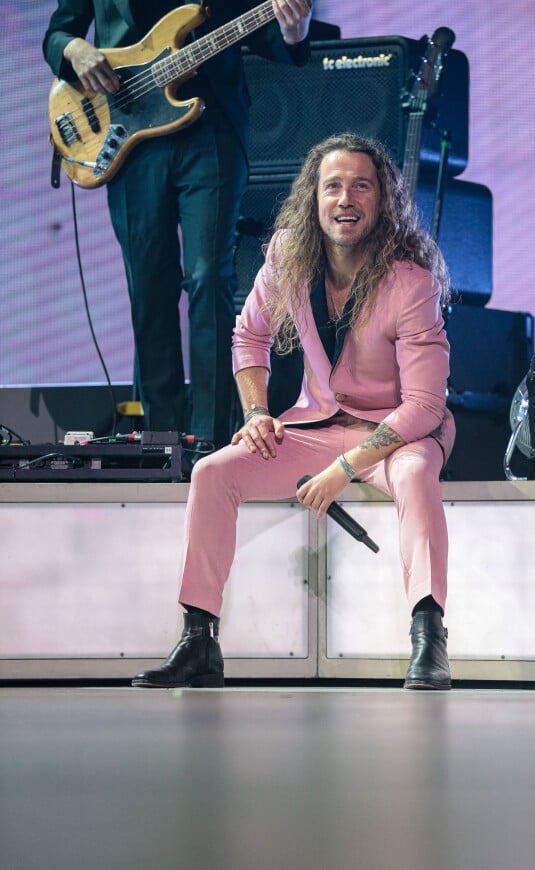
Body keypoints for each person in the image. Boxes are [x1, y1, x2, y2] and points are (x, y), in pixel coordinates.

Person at [132, 131, 456, 691]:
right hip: (318, 423)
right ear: (314, 198)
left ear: (382, 201)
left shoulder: (412, 283)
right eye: (332, 187)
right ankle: (200, 640)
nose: (345, 199)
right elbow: (248, 337)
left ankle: (429, 638)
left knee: (415, 472)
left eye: (361, 186)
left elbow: (426, 406)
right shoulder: (288, 253)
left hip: (398, 433)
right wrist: (257, 412)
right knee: (213, 472)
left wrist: (343, 469)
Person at [43, 0, 312, 460]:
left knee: (210, 277)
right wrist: (75, 50)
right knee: (150, 285)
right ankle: (161, 443)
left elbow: (271, 34)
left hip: (210, 127)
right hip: (126, 130)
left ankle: (210, 441)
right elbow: (57, 33)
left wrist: (294, 28)